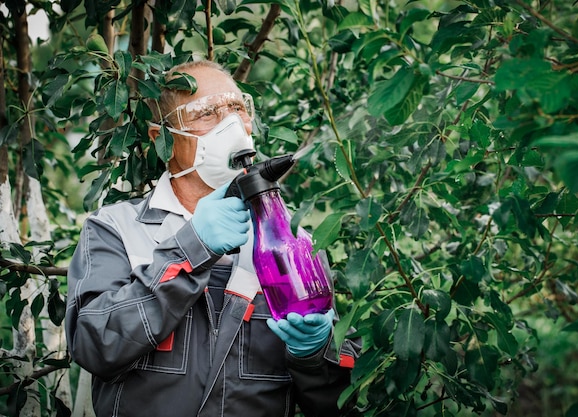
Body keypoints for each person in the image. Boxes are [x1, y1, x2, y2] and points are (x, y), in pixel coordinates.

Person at [65, 60, 360, 417]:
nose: (232, 124)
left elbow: (337, 405)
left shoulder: (294, 242)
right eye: (206, 113)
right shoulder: (117, 229)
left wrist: (315, 356)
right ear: (164, 139)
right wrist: (192, 246)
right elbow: (95, 345)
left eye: (238, 108)